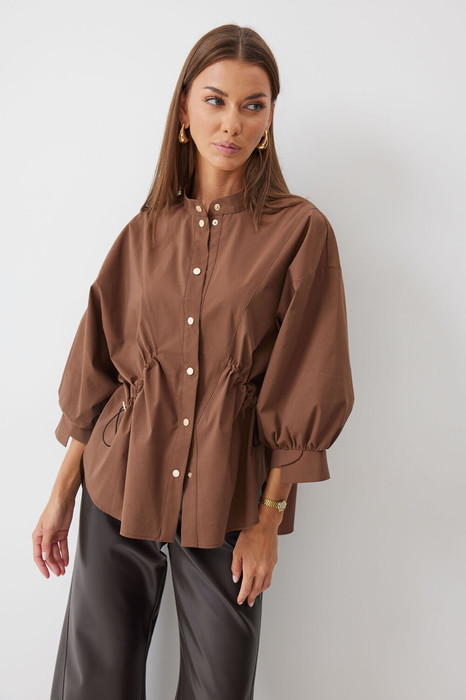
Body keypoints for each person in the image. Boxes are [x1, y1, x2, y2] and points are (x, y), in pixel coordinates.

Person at [32, 23, 355, 700]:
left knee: (219, 688)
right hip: (118, 486)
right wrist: (61, 495)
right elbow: (99, 372)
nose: (232, 122)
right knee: (94, 683)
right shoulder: (144, 232)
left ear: (269, 119)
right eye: (215, 101)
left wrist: (267, 523)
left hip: (228, 498)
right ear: (184, 110)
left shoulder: (301, 232)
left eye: (252, 105)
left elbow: (305, 384)